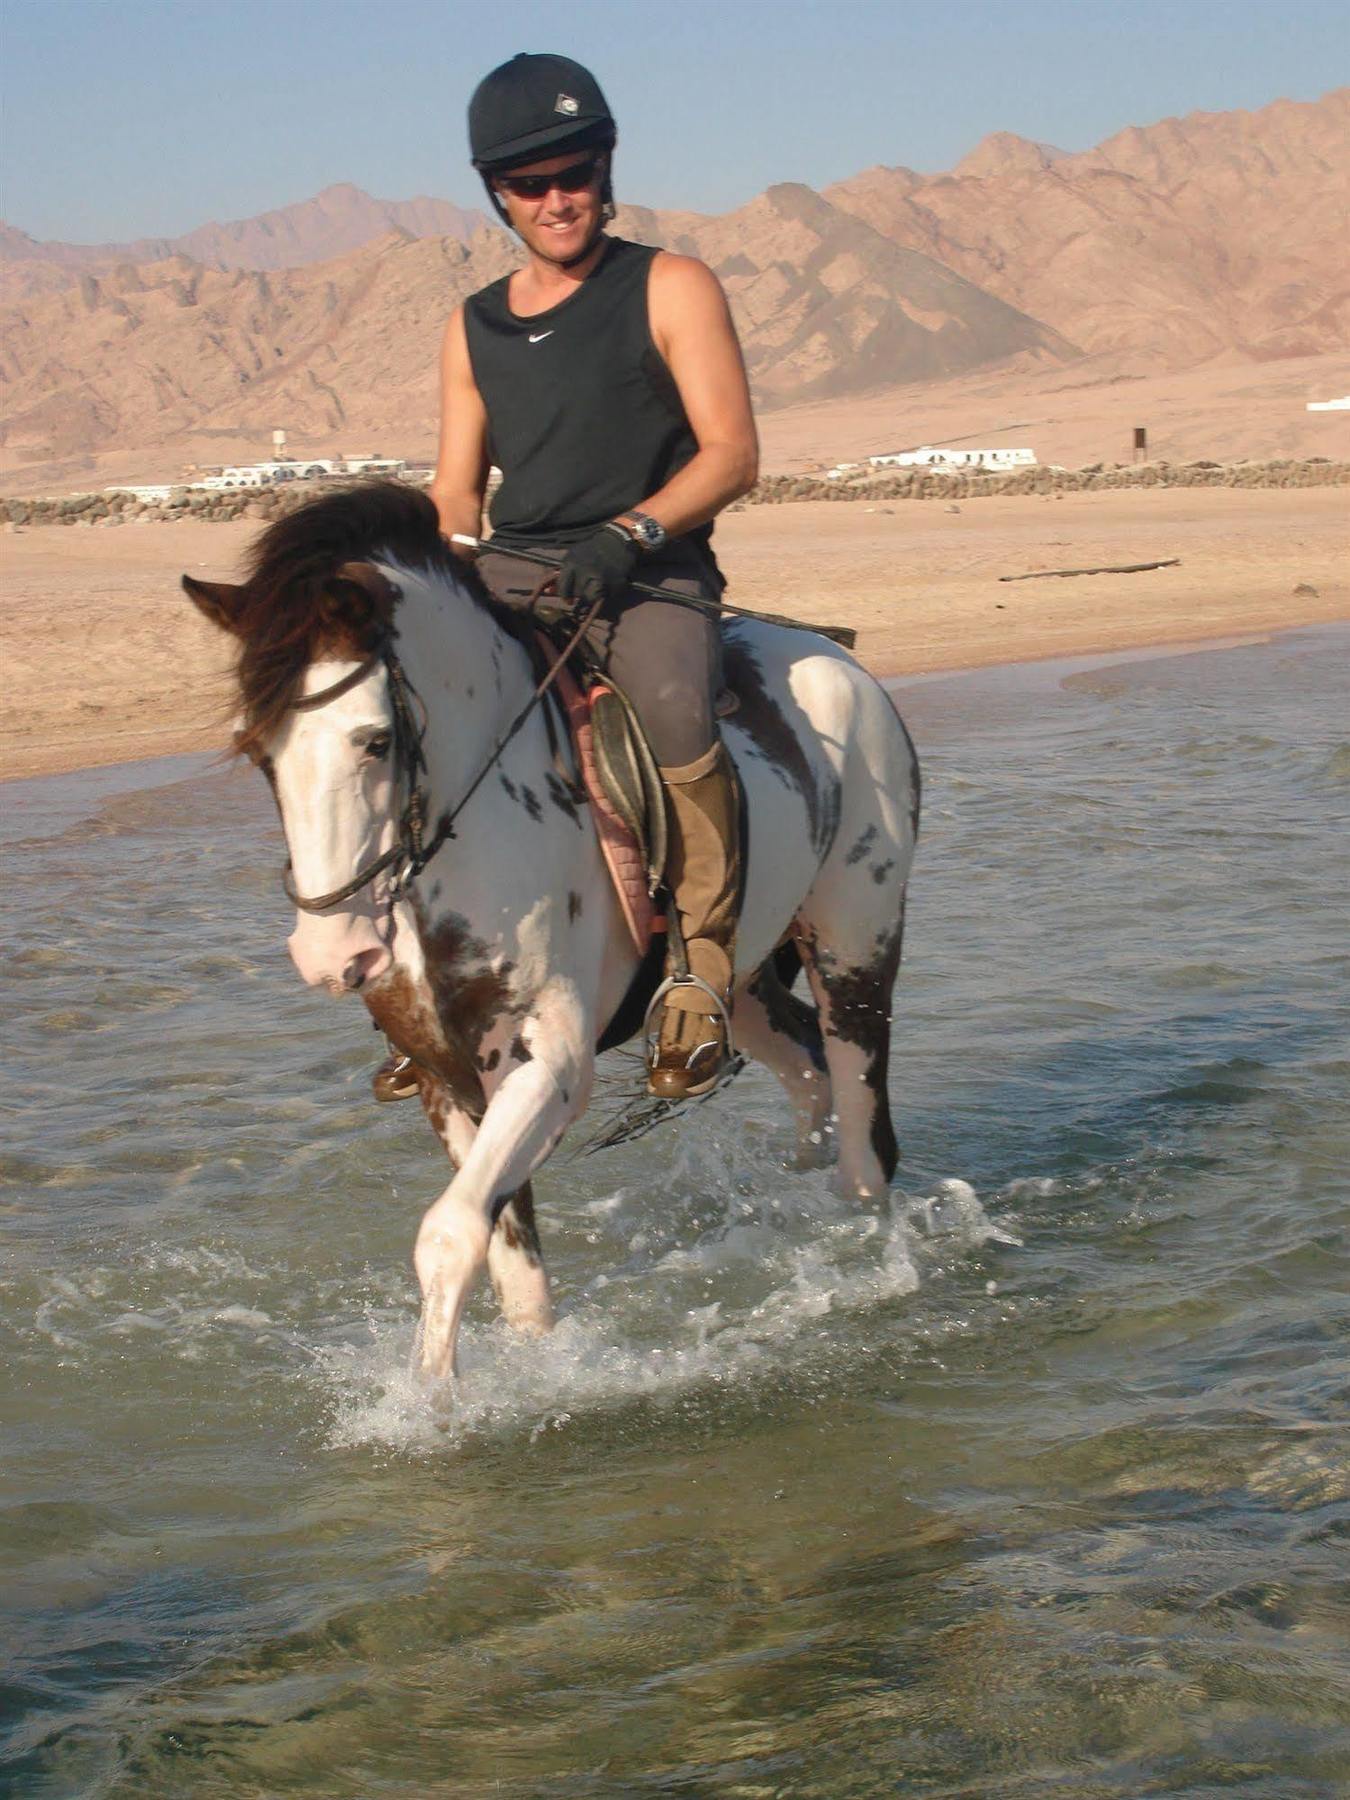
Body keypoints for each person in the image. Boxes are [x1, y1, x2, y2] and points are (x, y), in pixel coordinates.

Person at [410, 50, 759, 1102]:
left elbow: (732, 453)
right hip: (519, 569)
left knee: (669, 706)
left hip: (650, 569)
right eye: (531, 184)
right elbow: (457, 494)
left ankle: (700, 965)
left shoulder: (670, 285)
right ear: (497, 195)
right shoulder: (471, 326)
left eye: (576, 173)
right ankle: (434, 975)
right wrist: (427, 581)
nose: (558, 199)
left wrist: (635, 532)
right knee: (413, 716)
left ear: (606, 168)